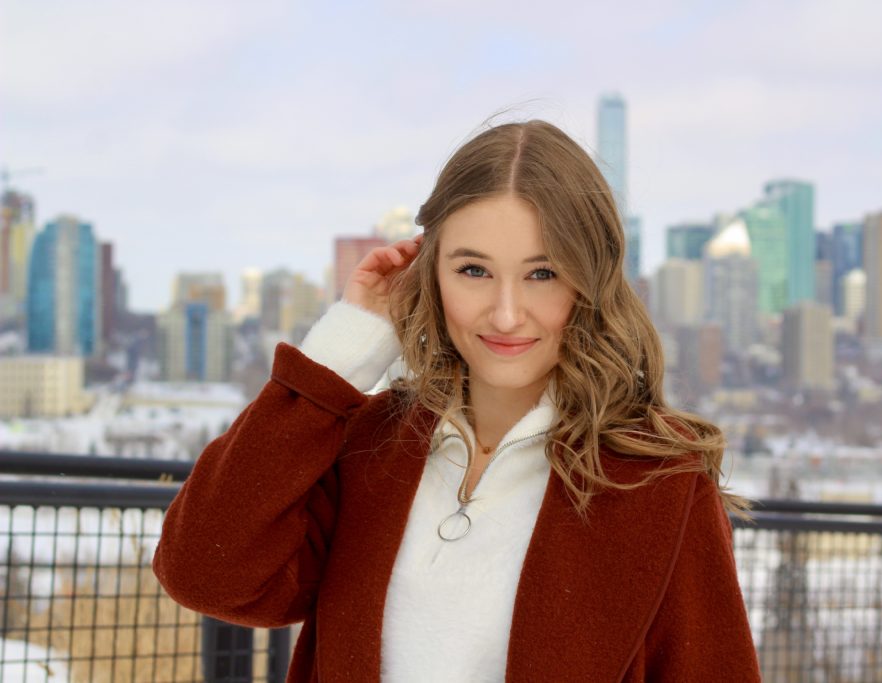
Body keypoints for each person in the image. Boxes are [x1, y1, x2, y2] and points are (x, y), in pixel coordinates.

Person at [153, 120, 761, 682]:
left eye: (542, 273)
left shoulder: (657, 479)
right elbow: (203, 572)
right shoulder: (370, 449)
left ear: (590, 280)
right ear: (430, 272)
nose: (505, 312)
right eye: (473, 270)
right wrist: (337, 357)